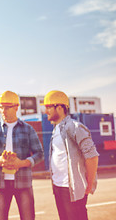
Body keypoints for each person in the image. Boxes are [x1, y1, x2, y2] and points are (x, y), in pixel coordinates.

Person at [0, 90, 44, 220]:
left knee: (28, 217)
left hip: (23, 183)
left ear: (16, 107)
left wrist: (22, 163)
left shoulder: (28, 129)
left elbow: (39, 154)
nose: (3, 111)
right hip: (1, 184)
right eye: (1, 107)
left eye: (7, 107)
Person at [43, 90, 99, 220]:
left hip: (71, 189)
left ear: (60, 107)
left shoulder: (75, 127)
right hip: (58, 187)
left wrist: (89, 184)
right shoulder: (56, 129)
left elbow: (92, 156)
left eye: (48, 107)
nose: (46, 111)